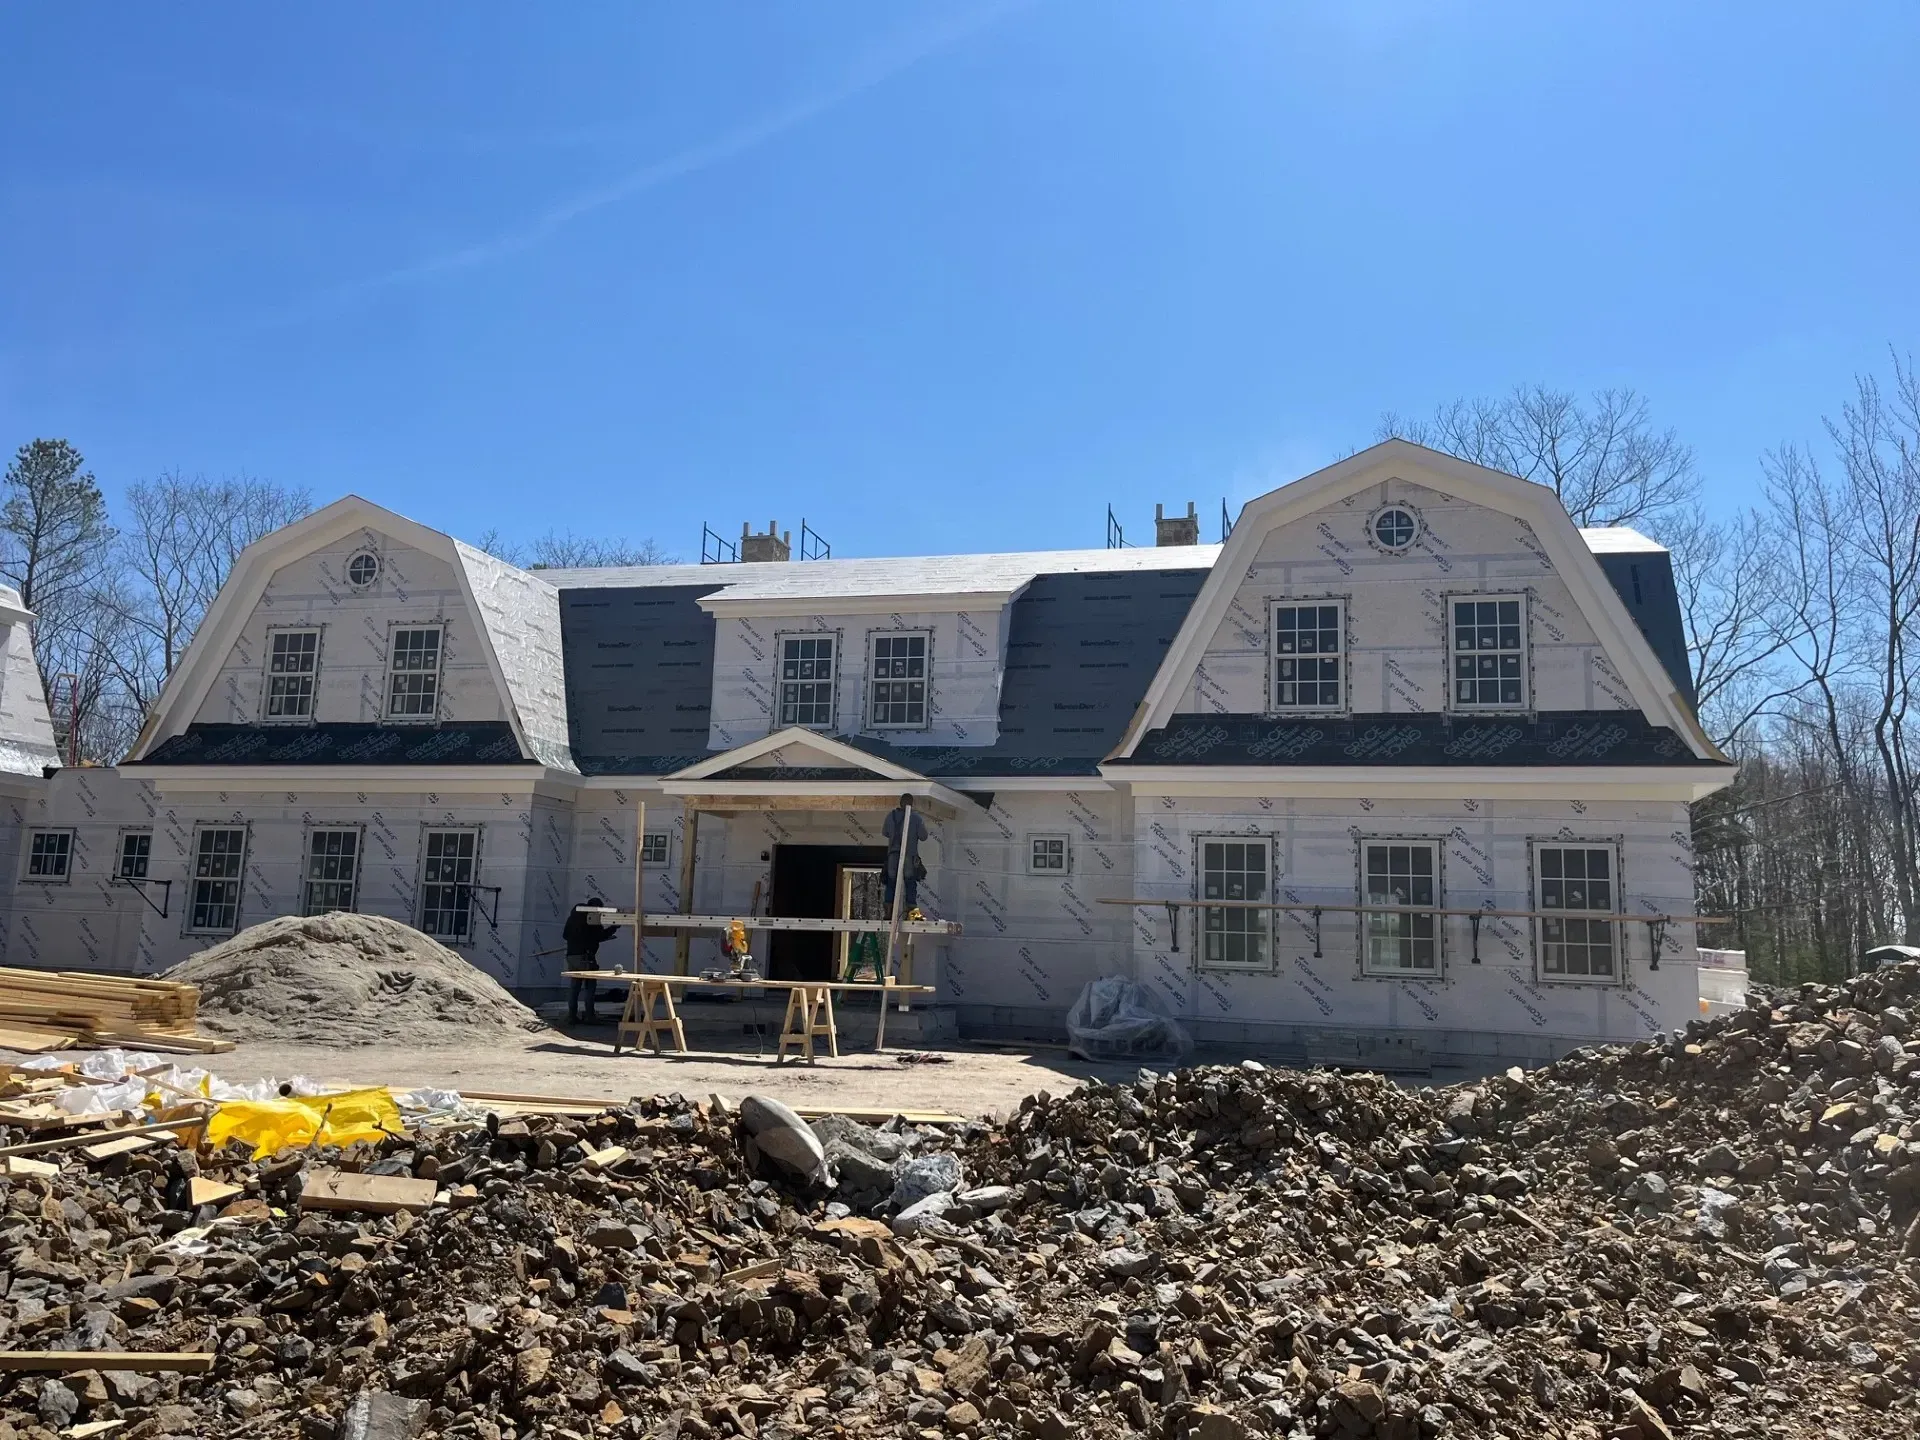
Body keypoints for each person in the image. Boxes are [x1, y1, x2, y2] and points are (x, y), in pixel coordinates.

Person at [563, 897, 620, 1024]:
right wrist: (614, 927)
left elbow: (565, 935)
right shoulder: (592, 919)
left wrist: (578, 940)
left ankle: (571, 1016)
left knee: (574, 987)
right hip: (586, 957)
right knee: (590, 987)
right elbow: (600, 936)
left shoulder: (573, 917)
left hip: (572, 956)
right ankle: (589, 1016)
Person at [882, 793, 928, 917]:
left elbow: (885, 832)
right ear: (911, 804)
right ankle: (911, 910)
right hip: (909, 854)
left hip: (892, 855)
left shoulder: (890, 817)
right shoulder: (916, 818)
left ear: (900, 803)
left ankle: (888, 911)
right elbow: (924, 837)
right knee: (910, 881)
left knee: (891, 882)